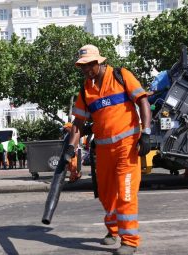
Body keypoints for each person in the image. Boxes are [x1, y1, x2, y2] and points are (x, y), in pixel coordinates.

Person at [65, 45, 151, 255]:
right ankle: (112, 230)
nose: (85, 70)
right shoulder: (86, 90)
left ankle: (129, 240)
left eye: (88, 65)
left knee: (126, 193)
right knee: (106, 194)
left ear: (100, 62)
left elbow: (143, 101)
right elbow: (78, 122)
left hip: (127, 147)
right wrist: (70, 147)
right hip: (103, 150)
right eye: (82, 67)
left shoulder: (121, 76)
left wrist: (146, 132)